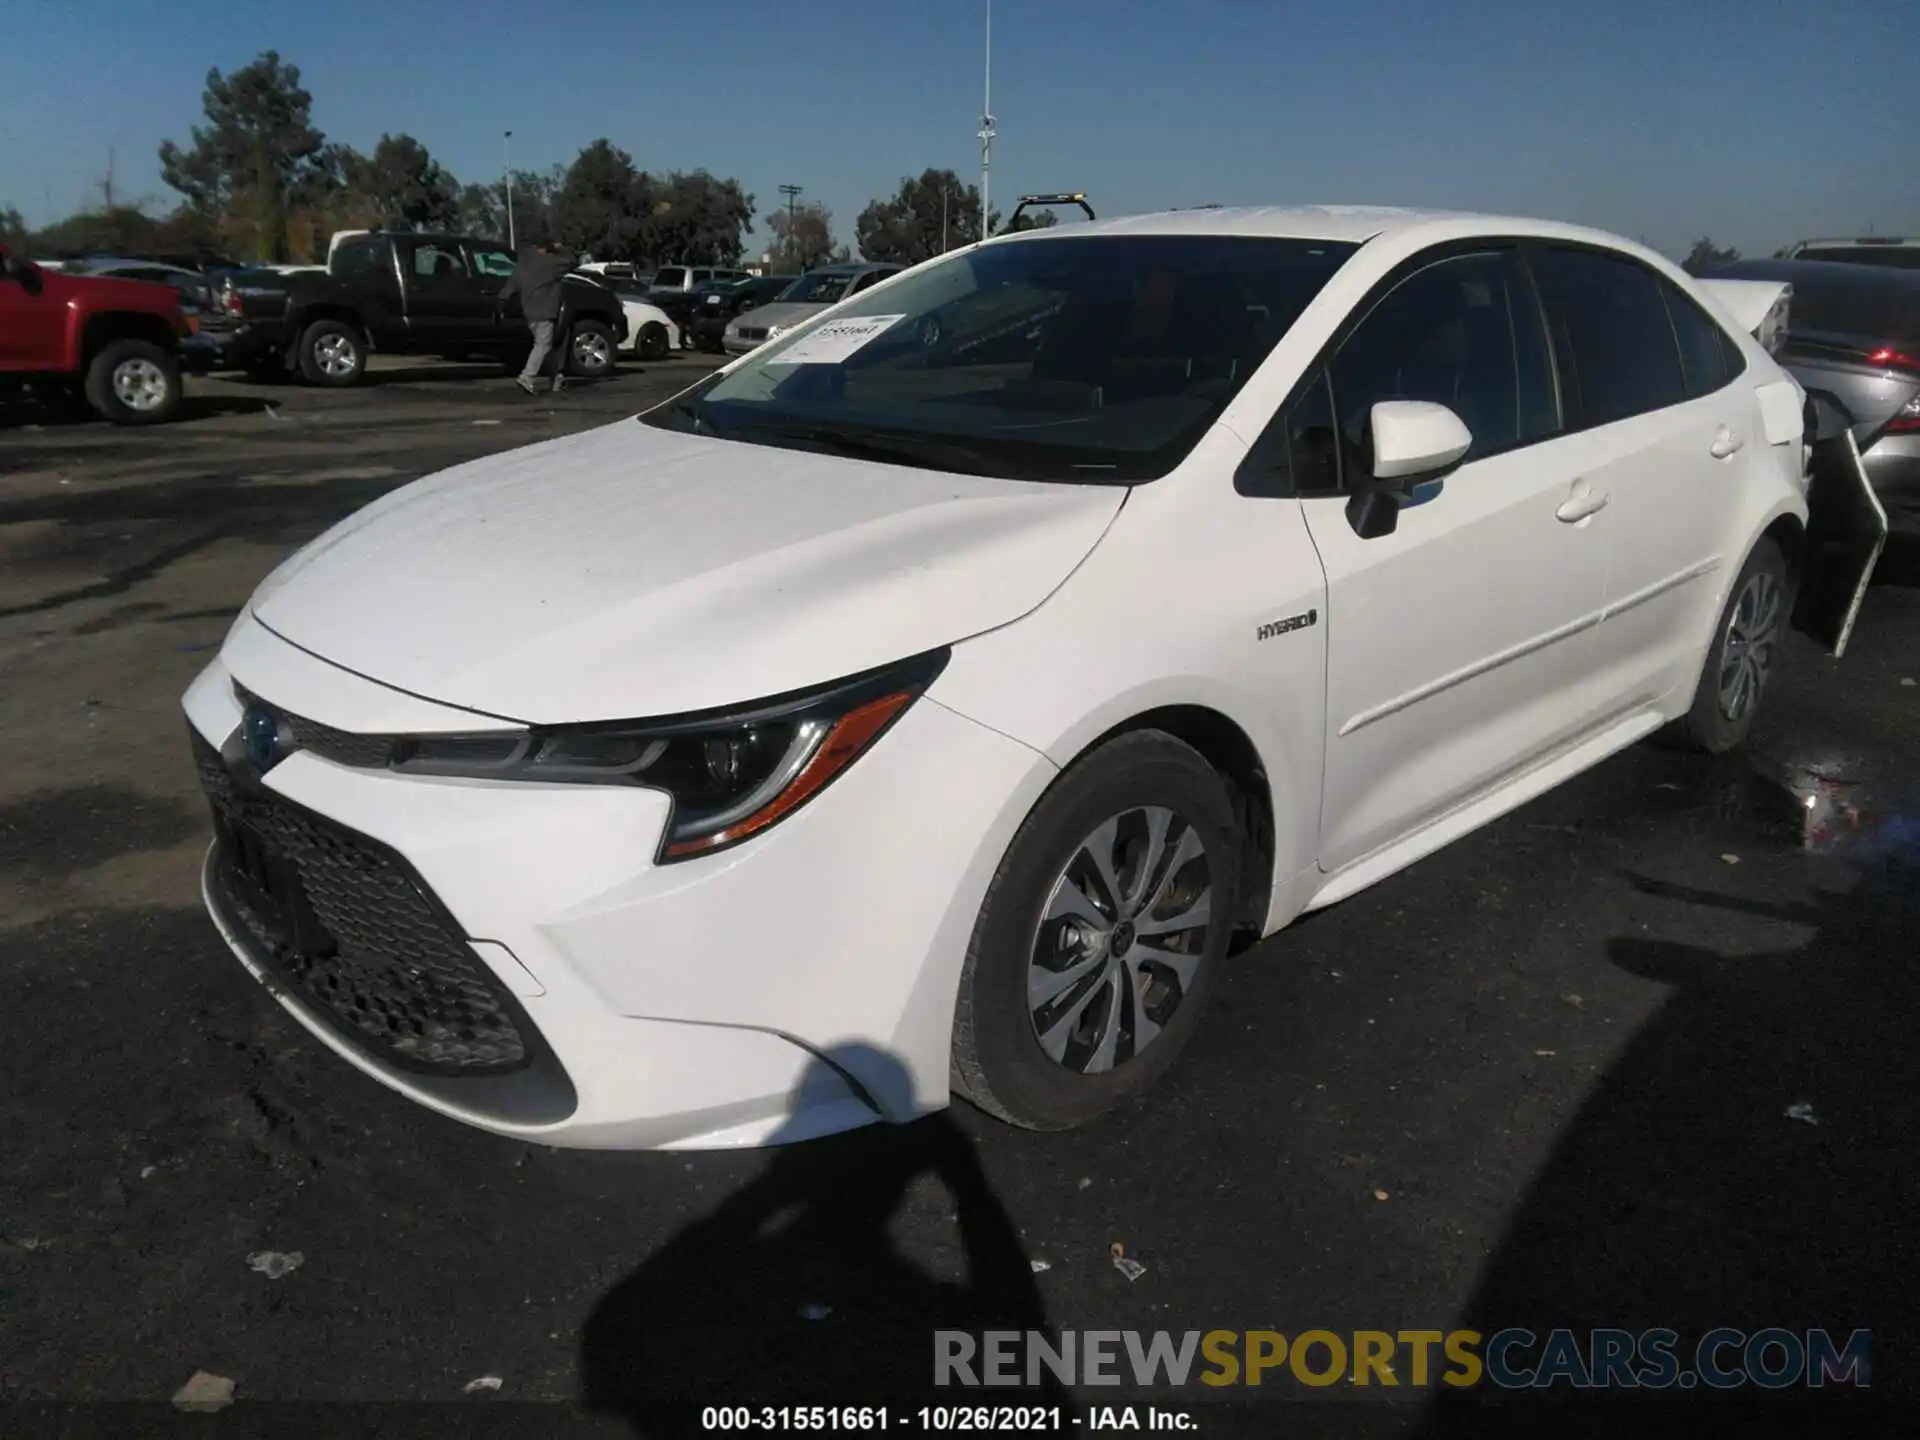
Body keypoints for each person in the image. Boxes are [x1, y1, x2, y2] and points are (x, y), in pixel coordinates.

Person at [496, 240, 576, 395]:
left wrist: (502, 302)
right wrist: (561, 250)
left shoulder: (522, 266)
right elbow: (572, 262)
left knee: (549, 344)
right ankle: (528, 376)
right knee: (544, 344)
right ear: (546, 250)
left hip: (529, 312)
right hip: (547, 310)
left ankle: (556, 378)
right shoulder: (550, 264)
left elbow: (509, 288)